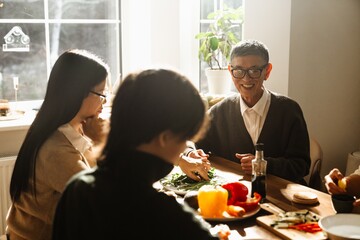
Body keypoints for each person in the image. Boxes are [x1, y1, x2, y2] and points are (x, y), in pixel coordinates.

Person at [51, 68, 231, 240]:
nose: (183, 147)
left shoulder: (77, 189)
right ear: (164, 137)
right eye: (185, 138)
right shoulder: (166, 216)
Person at [6, 49, 110, 240]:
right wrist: (103, 142)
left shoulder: (68, 131)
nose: (104, 102)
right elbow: (101, 200)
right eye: (102, 93)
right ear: (79, 93)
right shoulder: (56, 149)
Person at [184, 39, 311, 185]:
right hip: (236, 195)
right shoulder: (220, 112)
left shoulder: (289, 110)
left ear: (267, 71)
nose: (246, 78)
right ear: (230, 72)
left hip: (282, 195)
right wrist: (190, 153)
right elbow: (191, 141)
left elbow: (301, 166)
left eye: (254, 71)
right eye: (238, 71)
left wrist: (263, 165)